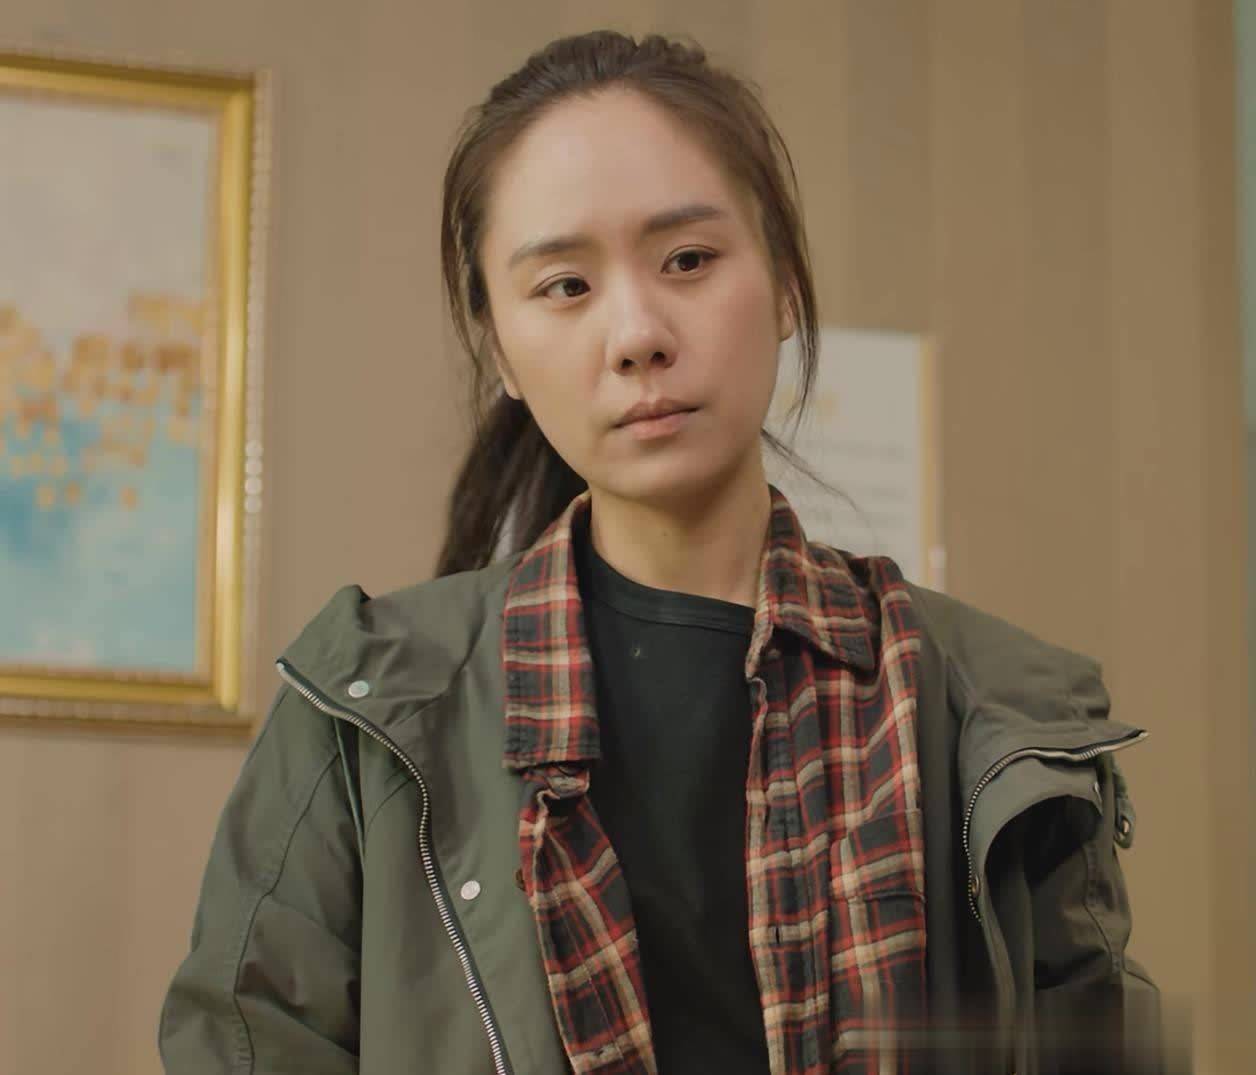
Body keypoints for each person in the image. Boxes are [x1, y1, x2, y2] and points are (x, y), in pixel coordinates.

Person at [159, 30, 1160, 1075]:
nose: (637, 332)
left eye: (687, 260)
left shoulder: (993, 709)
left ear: (784, 283)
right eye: (565, 285)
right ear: (499, 351)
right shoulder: (362, 713)